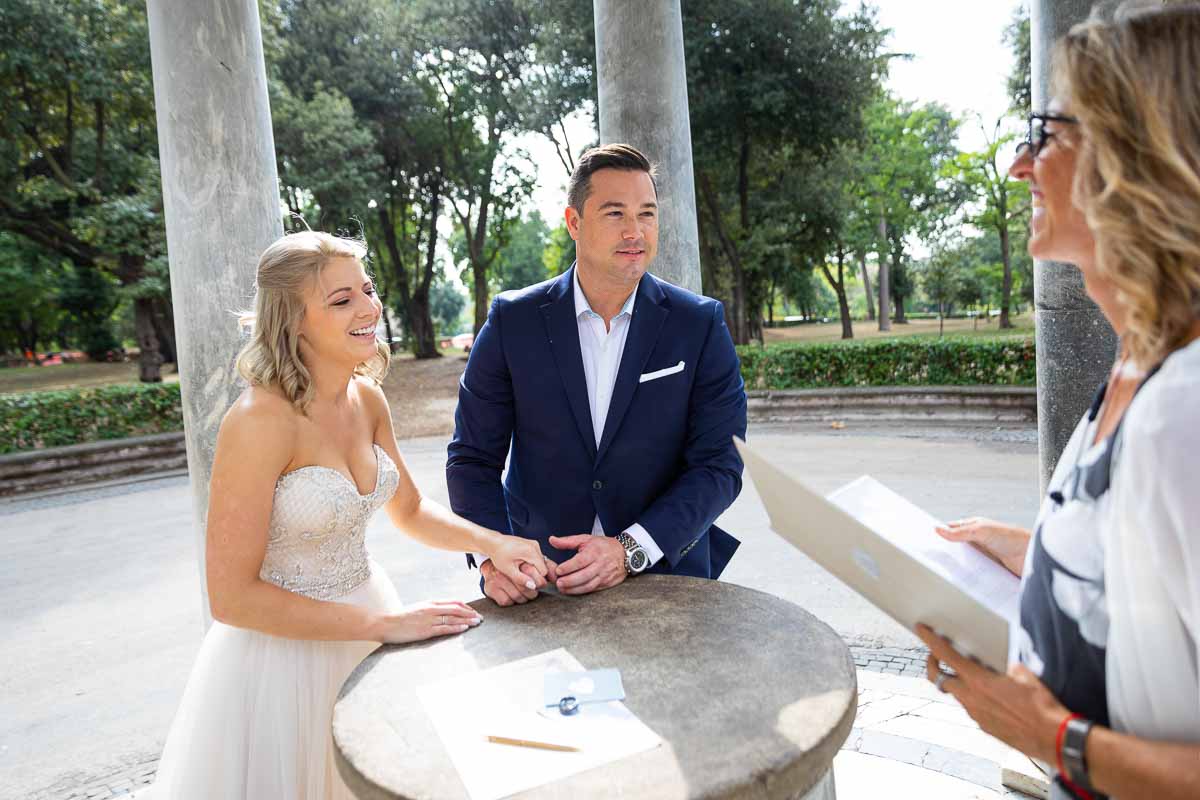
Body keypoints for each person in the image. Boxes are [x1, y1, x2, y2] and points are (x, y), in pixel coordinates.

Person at [150, 231, 551, 800]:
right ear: (292, 321)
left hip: (370, 615)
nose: (369, 308)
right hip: (280, 661)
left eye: (366, 289)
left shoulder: (367, 399)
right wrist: (383, 627)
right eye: (341, 301)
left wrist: (496, 543)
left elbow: (409, 510)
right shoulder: (258, 420)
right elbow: (230, 597)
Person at [915, 5, 1200, 799]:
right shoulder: (1137, 364)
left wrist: (1053, 739)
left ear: (1136, 149)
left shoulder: (1186, 408)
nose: (1018, 166)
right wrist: (1044, 546)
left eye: (1045, 133)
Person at [446, 143, 747, 605]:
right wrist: (492, 554)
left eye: (647, 214)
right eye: (615, 214)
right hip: (539, 578)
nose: (635, 231)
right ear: (574, 223)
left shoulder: (700, 324)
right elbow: (472, 459)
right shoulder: (513, 321)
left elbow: (720, 465)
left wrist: (631, 550)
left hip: (666, 574)